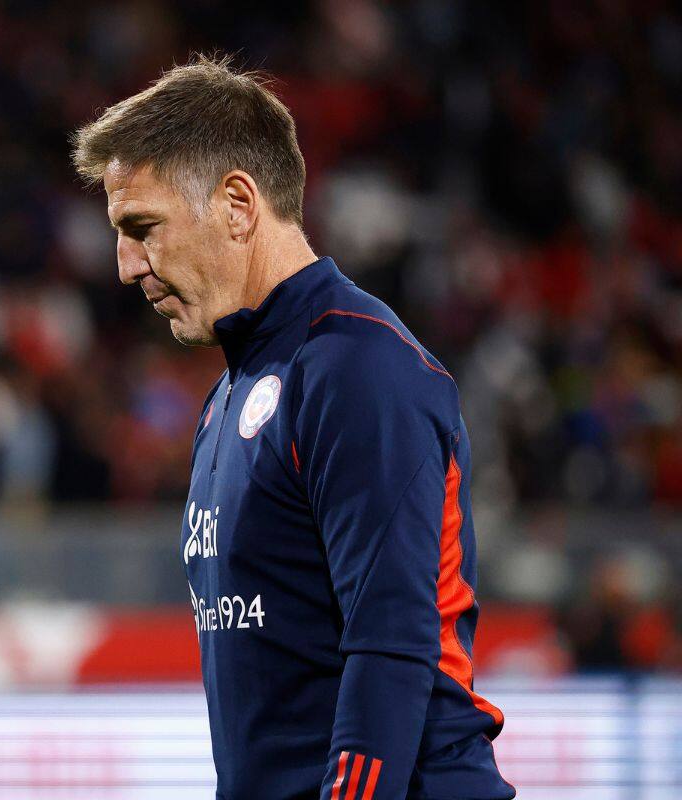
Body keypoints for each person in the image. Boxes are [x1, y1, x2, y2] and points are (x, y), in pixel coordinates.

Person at [72, 56, 515, 800]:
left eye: (142, 228)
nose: (126, 266)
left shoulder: (356, 368)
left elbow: (391, 646)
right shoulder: (228, 398)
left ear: (238, 203)